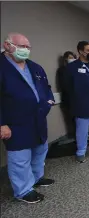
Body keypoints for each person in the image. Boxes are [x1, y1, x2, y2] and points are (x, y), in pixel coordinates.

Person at [0, 33, 55, 203]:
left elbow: (46, 88)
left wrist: (48, 102)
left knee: (40, 149)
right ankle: (23, 190)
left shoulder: (35, 67)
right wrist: (2, 124)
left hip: (38, 118)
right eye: (21, 46)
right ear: (7, 45)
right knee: (20, 157)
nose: (25, 50)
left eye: (27, 47)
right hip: (15, 121)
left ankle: (37, 178)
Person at [57, 51, 77, 138]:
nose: (71, 59)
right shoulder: (62, 70)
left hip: (78, 97)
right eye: (70, 58)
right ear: (65, 59)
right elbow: (64, 84)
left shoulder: (76, 68)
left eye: (73, 57)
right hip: (68, 98)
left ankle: (81, 133)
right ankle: (74, 134)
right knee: (71, 118)